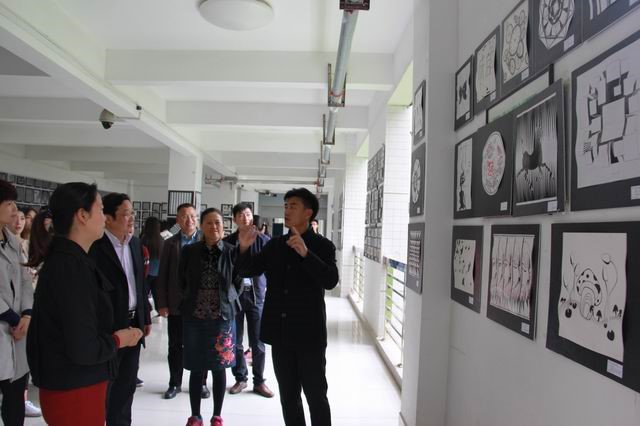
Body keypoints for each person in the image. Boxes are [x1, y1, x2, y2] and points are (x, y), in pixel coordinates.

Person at [26, 182, 143, 426]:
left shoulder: (74, 260)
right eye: (100, 209)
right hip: (74, 388)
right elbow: (83, 346)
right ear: (82, 215)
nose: (104, 217)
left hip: (76, 383)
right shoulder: (70, 268)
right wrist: (119, 339)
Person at [236, 188, 339, 426]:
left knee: (316, 395)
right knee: (289, 397)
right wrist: (243, 248)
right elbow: (247, 270)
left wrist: (306, 254)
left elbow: (331, 280)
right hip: (281, 333)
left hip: (309, 335)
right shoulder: (275, 245)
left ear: (308, 213)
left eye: (293, 206)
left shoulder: (323, 246)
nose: (287, 210)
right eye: (285, 206)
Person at [89, 193, 151, 426]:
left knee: (126, 388)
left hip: (134, 324)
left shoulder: (135, 243)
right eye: (126, 214)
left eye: (132, 213)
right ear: (108, 217)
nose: (132, 218)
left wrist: (145, 317)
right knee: (104, 388)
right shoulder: (95, 247)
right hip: (108, 328)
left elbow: (140, 284)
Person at [180, 208, 241, 426]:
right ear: (201, 226)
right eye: (209, 223)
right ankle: (195, 415)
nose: (214, 227)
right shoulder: (190, 251)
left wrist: (225, 300)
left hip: (222, 318)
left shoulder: (232, 251)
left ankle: (217, 415)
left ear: (223, 226)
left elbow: (238, 283)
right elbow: (181, 279)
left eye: (217, 223)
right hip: (195, 317)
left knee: (219, 367)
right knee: (196, 367)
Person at [156, 203, 209, 400]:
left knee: (201, 346)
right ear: (178, 220)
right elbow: (162, 275)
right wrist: (162, 303)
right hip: (177, 304)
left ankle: (201, 383)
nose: (189, 220)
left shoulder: (206, 240)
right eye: (185, 216)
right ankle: (174, 383)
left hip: (202, 305)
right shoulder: (170, 243)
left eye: (193, 216)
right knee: (175, 346)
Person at [223, 203, 274, 398]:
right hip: (234, 297)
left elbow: (270, 269)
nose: (245, 218)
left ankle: (259, 382)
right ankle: (240, 378)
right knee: (235, 341)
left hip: (256, 296)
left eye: (248, 214)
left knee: (258, 342)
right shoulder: (228, 242)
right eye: (241, 215)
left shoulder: (264, 241)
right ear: (234, 219)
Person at [0, 180, 33, 426]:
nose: (14, 209)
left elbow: (25, 281)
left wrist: (27, 315)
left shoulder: (12, 241)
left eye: (14, 203)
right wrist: (13, 318)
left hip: (17, 332)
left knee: (15, 402)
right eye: (8, 203)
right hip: (8, 325)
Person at [8, 208, 42, 418]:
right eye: (14, 216)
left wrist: (27, 314)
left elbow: (25, 281)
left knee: (20, 367)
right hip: (10, 315)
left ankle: (23, 398)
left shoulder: (24, 245)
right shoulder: (9, 244)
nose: (18, 221)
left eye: (22, 218)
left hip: (24, 311)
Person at [140, 216, 164, 311]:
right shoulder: (161, 239)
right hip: (158, 272)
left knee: (144, 293)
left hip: (147, 272)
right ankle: (159, 311)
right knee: (156, 294)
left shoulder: (144, 239)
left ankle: (147, 308)